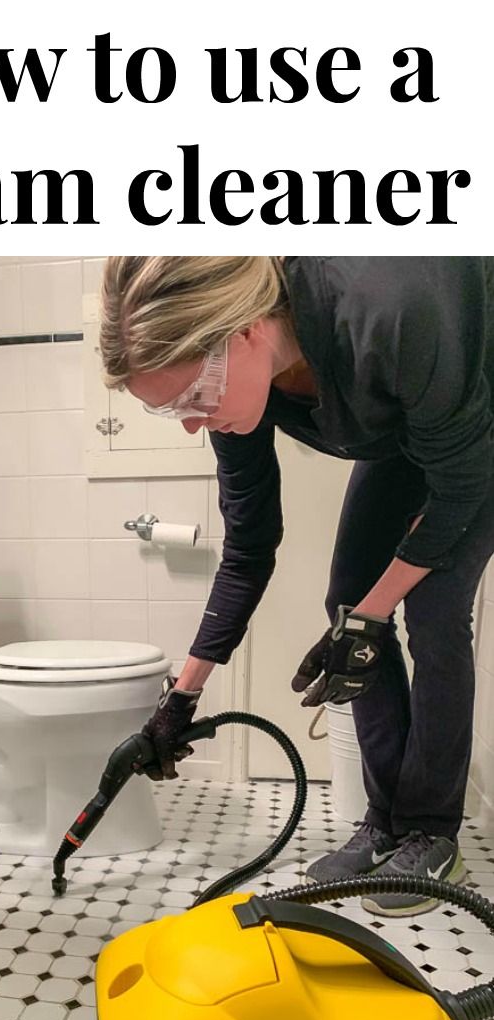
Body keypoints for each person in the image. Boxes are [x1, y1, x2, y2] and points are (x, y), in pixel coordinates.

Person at [98, 256, 494, 917]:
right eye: (174, 411)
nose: (194, 423)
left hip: (477, 428)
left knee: (433, 607)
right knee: (348, 600)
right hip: (410, 422)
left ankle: (430, 830)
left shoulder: (389, 305)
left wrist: (367, 621)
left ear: (247, 332)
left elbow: (461, 486)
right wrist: (180, 700)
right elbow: (248, 550)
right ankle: (385, 822)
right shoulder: (235, 386)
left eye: (194, 398)